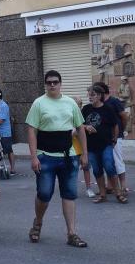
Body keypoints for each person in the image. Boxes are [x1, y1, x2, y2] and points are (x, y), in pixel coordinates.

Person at [25, 70, 90, 248]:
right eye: (49, 82)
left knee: (69, 194)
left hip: (68, 157)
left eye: (55, 82)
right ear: (45, 84)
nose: (52, 85)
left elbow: (80, 127)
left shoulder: (70, 103)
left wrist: (84, 153)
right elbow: (31, 130)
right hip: (45, 157)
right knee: (44, 194)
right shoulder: (39, 103)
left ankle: (71, 233)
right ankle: (37, 223)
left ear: (61, 84)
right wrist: (34, 157)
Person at [82, 85, 124, 204]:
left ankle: (118, 193)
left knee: (109, 166)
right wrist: (86, 126)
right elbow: (79, 125)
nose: (90, 97)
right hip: (91, 146)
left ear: (99, 96)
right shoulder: (86, 109)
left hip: (106, 144)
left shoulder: (108, 108)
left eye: (93, 95)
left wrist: (115, 139)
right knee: (96, 170)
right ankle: (102, 194)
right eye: (89, 95)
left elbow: (115, 125)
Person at [93, 81, 129, 195]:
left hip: (115, 136)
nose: (95, 95)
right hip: (104, 138)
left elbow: (124, 116)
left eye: (96, 92)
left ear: (102, 92)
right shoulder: (100, 103)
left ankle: (123, 187)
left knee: (118, 161)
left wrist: (121, 128)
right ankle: (110, 186)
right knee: (107, 162)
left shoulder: (114, 101)